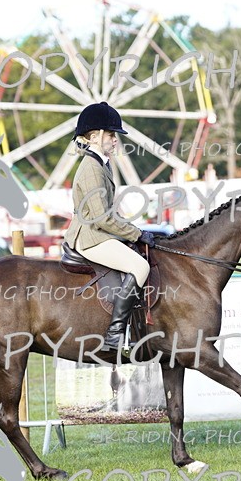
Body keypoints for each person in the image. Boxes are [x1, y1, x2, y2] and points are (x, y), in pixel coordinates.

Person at [63, 102, 155, 351]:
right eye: (111, 135)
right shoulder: (92, 168)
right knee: (139, 266)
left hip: (98, 232)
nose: (115, 140)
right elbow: (101, 218)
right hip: (91, 236)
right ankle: (114, 335)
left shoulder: (101, 164)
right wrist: (137, 233)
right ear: (94, 136)